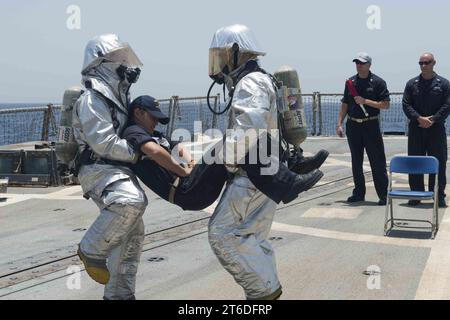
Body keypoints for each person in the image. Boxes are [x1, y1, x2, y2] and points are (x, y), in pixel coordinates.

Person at [206, 24, 304, 300]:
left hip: (251, 175)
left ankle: (262, 292)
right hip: (264, 171)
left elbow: (251, 125)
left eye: (223, 55)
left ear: (236, 53)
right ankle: (265, 291)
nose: (220, 62)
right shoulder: (258, 79)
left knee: (221, 234)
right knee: (252, 237)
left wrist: (223, 159)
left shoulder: (250, 82)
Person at [123, 95, 323, 210]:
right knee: (234, 141)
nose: (156, 122)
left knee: (249, 137)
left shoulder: (152, 132)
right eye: (153, 117)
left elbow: (178, 146)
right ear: (138, 113)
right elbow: (154, 151)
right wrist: (182, 171)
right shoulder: (133, 132)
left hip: (192, 183)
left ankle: (290, 165)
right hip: (186, 192)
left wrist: (190, 161)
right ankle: (287, 186)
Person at [72, 34, 147, 300]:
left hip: (117, 169)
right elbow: (103, 142)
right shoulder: (92, 98)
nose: (125, 62)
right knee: (129, 202)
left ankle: (119, 295)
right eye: (118, 57)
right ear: (101, 62)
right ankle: (91, 249)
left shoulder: (118, 95)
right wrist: (139, 154)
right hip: (98, 168)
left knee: (131, 232)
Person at [337, 52, 390, 206]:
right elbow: (345, 104)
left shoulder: (378, 82)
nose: (359, 65)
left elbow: (385, 104)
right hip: (353, 125)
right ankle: (359, 193)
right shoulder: (350, 82)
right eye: (357, 63)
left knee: (377, 161)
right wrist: (339, 123)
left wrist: (365, 101)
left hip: (370, 125)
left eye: (362, 63)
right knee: (356, 161)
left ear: (369, 65)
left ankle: (383, 195)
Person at [402, 53, 450, 208]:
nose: (423, 65)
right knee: (415, 162)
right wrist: (419, 118)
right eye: (421, 63)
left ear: (434, 63)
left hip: (436, 129)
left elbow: (448, 105)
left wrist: (433, 119)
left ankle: (438, 195)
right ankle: (416, 194)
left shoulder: (443, 84)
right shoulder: (411, 84)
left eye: (426, 62)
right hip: (416, 129)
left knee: (438, 163)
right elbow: (406, 104)